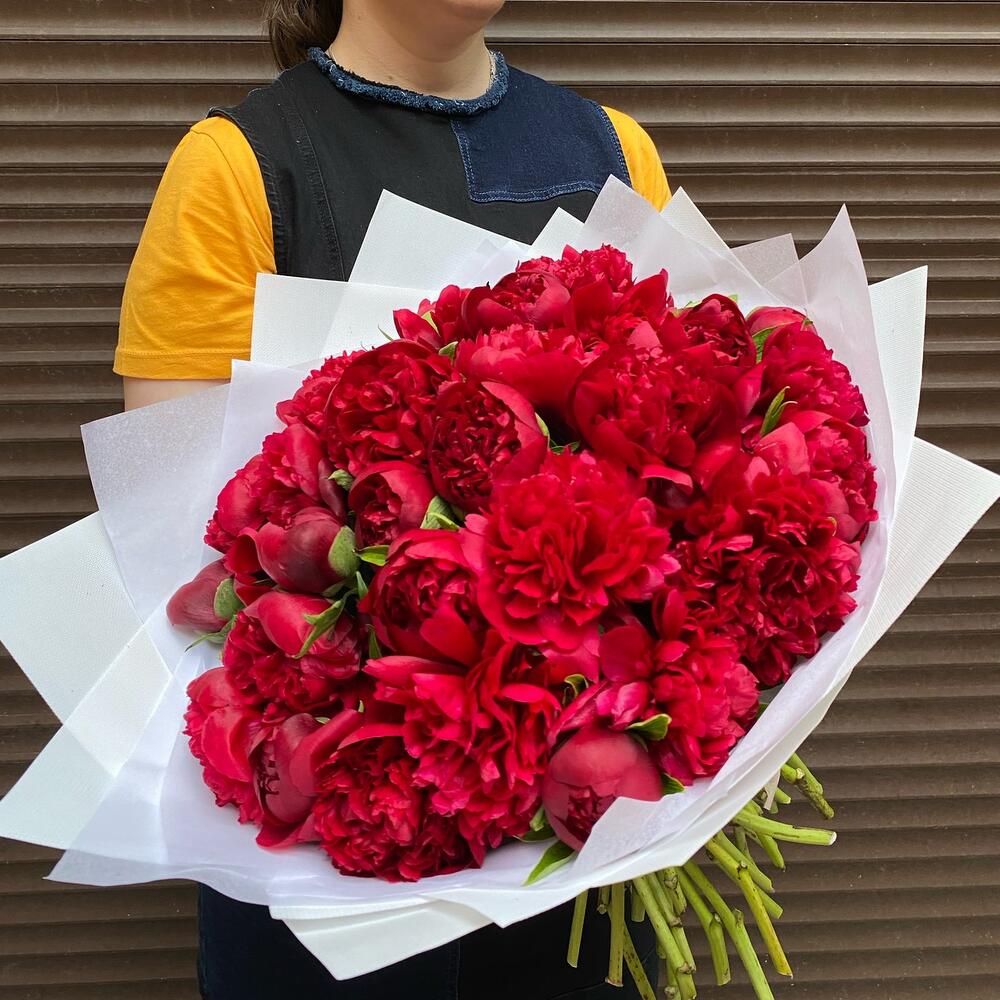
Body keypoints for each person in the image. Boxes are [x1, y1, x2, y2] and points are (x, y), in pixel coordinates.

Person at [115, 2, 670, 996]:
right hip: (333, 848)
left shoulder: (612, 152)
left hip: (580, 837)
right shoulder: (242, 166)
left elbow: (679, 454)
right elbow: (182, 541)